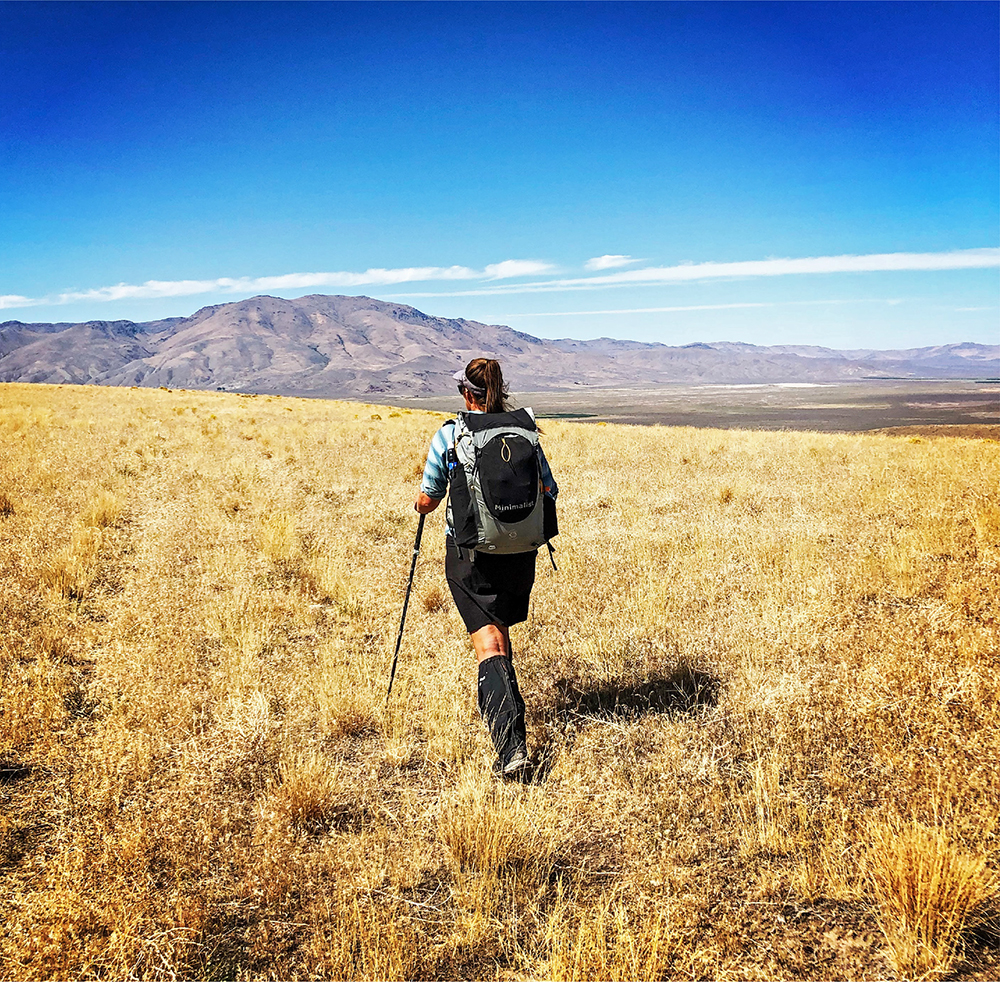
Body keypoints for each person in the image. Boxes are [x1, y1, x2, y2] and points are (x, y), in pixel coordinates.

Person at [415, 358, 558, 779]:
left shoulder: (451, 434)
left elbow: (430, 497)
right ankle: (512, 723)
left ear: (466, 394)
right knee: (501, 637)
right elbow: (549, 488)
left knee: (488, 645)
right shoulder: (525, 431)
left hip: (470, 554)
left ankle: (511, 749)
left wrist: (421, 504)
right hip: (520, 552)